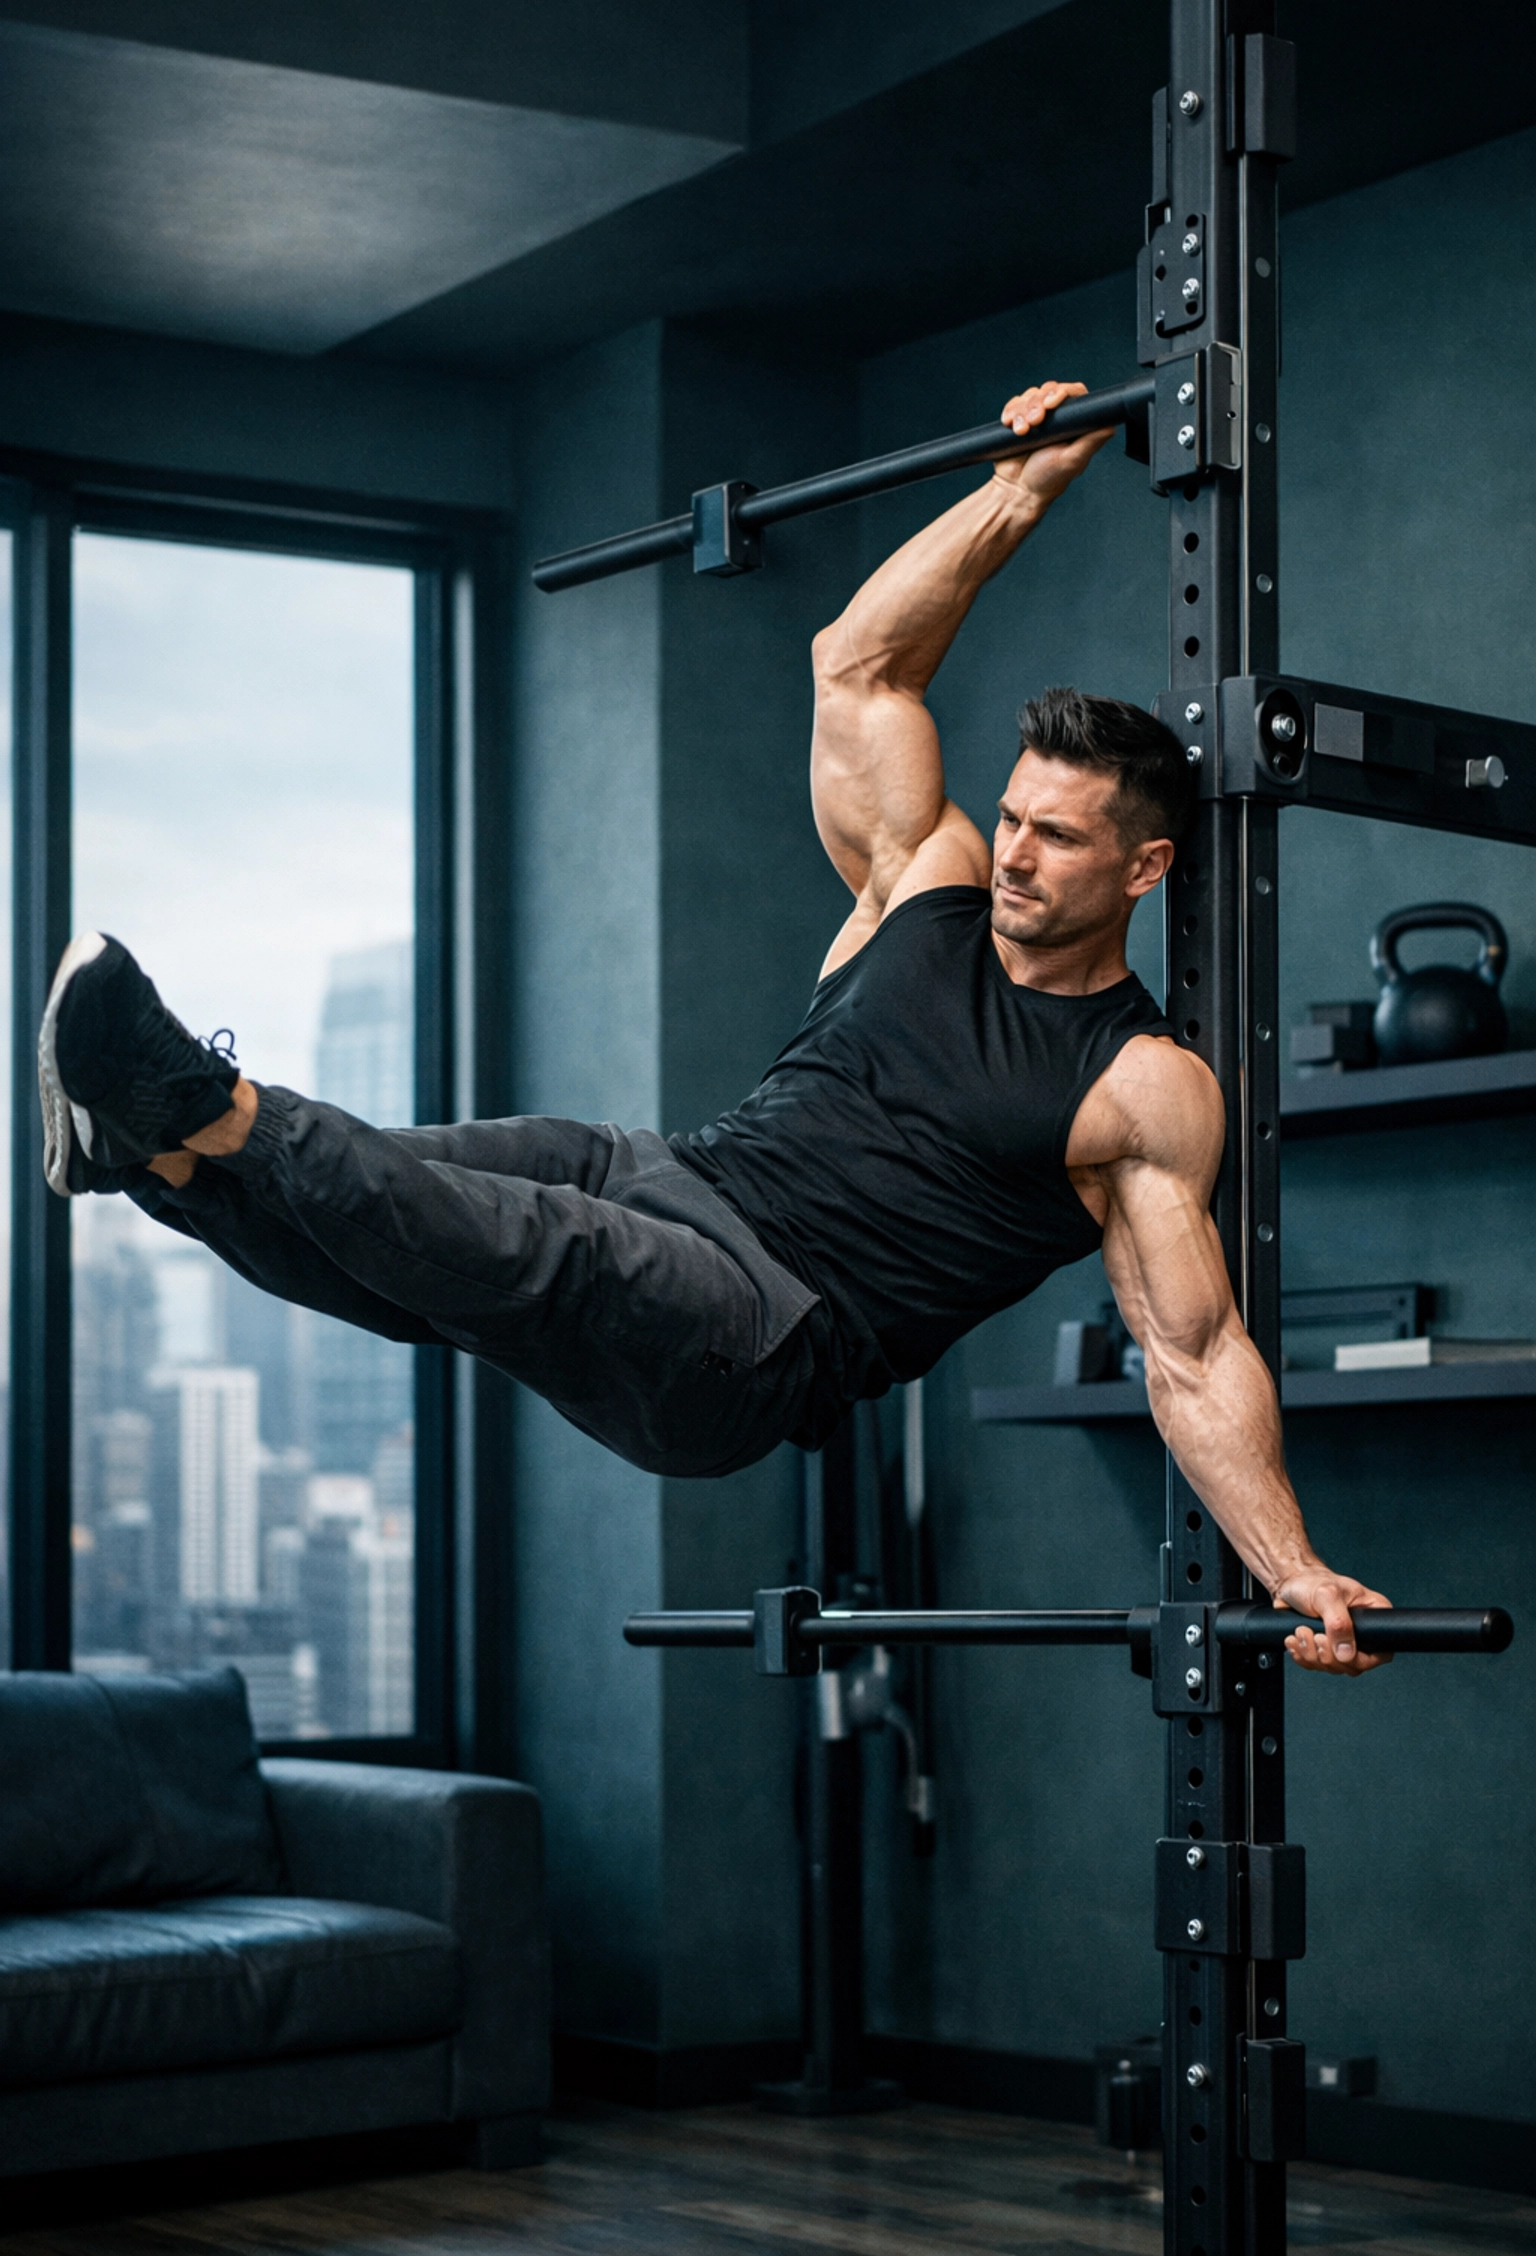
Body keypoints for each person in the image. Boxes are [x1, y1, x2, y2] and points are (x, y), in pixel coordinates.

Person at [39, 380, 1387, 1677]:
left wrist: (1290, 1567)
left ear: (1144, 871)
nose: (1021, 854)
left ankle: (199, 1099)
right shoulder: (925, 880)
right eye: (1018, 816)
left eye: (1062, 838)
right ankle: (156, 1162)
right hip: (664, 1169)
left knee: (534, 1249)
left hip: (762, 1330)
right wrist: (1017, 491)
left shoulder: (1138, 1086)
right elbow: (858, 670)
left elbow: (1192, 1353)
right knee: (409, 1217)